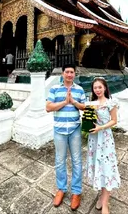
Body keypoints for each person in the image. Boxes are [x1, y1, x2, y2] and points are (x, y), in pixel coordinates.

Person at [46, 64, 86, 211]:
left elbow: (84, 107)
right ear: (63, 74)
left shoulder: (79, 89)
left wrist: (73, 102)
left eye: (72, 72)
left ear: (75, 74)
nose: (69, 74)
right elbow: (48, 107)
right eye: (67, 72)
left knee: (77, 160)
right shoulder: (54, 89)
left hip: (75, 129)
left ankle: (76, 191)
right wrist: (64, 102)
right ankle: (61, 189)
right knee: (59, 160)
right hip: (59, 130)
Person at [85, 77, 120, 214]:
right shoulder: (91, 103)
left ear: (105, 87)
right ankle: (102, 196)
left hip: (105, 139)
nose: (97, 90)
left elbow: (114, 121)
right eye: (95, 88)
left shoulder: (111, 103)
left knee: (107, 168)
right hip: (94, 140)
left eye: (100, 87)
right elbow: (88, 119)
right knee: (98, 168)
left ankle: (105, 203)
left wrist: (101, 127)